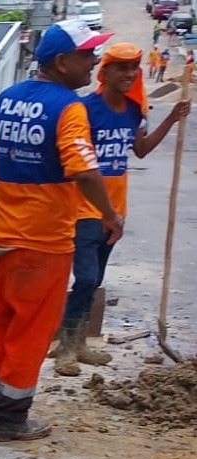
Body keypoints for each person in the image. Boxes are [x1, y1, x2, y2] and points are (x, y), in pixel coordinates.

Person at [0, 20, 124, 442]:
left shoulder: (6, 99)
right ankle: (7, 420)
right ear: (61, 62)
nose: (93, 62)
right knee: (30, 333)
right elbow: (83, 169)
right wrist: (109, 214)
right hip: (45, 243)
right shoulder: (69, 107)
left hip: (0, 238)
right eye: (86, 55)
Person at [56, 42, 190, 374]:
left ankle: (81, 343)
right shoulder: (85, 109)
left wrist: (172, 118)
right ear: (105, 72)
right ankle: (65, 348)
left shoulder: (133, 111)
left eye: (134, 68)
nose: (129, 74)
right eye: (122, 67)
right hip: (85, 209)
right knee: (85, 278)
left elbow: (141, 150)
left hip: (116, 211)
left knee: (96, 277)